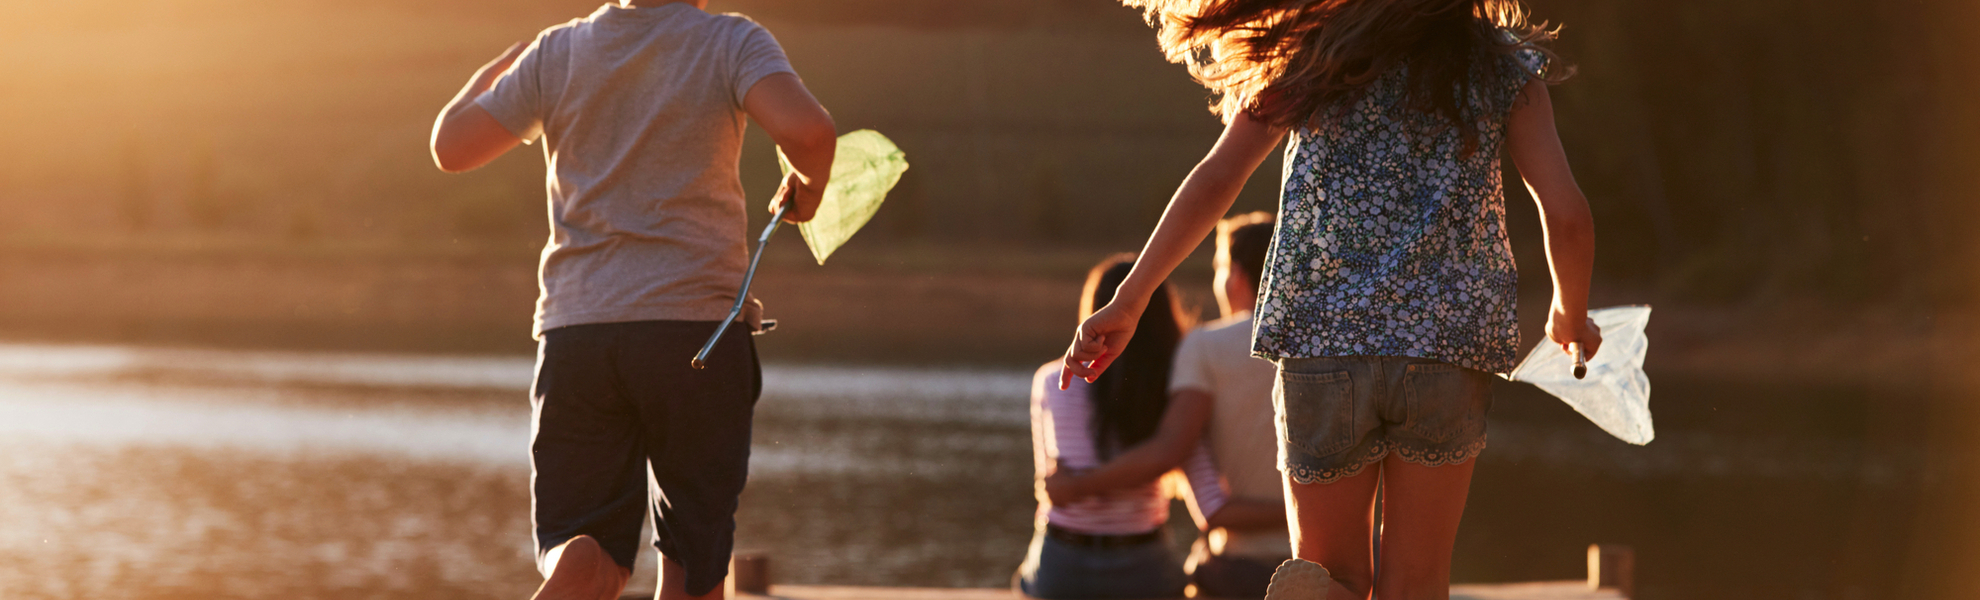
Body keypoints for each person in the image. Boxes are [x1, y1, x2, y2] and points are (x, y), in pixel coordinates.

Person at [1057, 1, 1603, 599]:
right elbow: (1568, 216)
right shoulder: (1505, 66)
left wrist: (1131, 300)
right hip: (1447, 350)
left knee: (1332, 576)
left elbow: (1217, 177)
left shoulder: (1313, 53)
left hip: (1322, 345)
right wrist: (1568, 313)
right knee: (1416, 585)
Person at [427, 1, 836, 599]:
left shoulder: (557, 50)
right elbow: (809, 132)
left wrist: (492, 72)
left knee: (587, 548)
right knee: (692, 571)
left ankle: (581, 561)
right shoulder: (730, 40)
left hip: (579, 335)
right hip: (694, 332)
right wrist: (812, 188)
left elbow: (451, 147)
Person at [1046, 212, 1289, 599]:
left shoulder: (1205, 349)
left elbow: (1173, 451)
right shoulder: (1327, 343)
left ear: (1235, 277)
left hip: (1238, 567)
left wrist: (1075, 487)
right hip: (1327, 553)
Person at [1022, 255, 1250, 599]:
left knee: (1025, 581)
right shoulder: (1178, 385)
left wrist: (1080, 486)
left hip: (1062, 562)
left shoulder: (1053, 380)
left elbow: (1052, 486)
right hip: (1143, 566)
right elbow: (1209, 498)